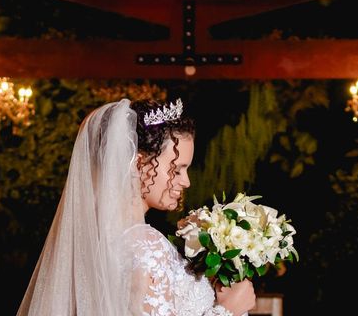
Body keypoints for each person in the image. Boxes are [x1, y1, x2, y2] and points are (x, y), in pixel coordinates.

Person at [17, 98, 256, 315]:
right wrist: (228, 310)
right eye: (177, 168)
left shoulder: (96, 240)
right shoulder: (145, 246)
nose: (186, 181)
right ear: (139, 164)